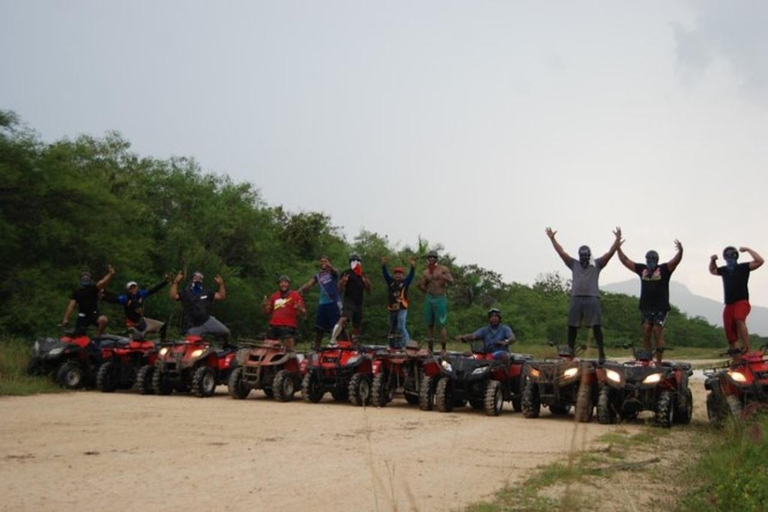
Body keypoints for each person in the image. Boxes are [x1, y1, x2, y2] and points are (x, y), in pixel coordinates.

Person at [545, 227, 622, 364]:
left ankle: (601, 352)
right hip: (576, 297)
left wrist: (617, 240)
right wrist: (552, 239)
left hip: (592, 297)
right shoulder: (574, 263)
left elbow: (609, 254)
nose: (584, 258)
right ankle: (570, 350)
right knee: (572, 326)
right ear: (579, 256)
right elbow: (561, 252)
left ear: (589, 255)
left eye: (586, 256)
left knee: (596, 326)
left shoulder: (597, 264)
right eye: (582, 256)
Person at [617, 240, 683, 364]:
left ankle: (658, 362)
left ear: (657, 260)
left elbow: (675, 261)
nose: (650, 262)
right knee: (647, 330)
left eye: (653, 260)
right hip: (646, 306)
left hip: (661, 307)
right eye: (648, 260)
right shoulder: (642, 269)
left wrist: (680, 251)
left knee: (657, 331)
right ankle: (647, 359)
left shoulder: (663, 269)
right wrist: (618, 248)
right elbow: (626, 261)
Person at [709, 245, 764, 356]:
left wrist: (748, 249)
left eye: (732, 255)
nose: (730, 257)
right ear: (724, 257)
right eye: (727, 255)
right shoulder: (724, 270)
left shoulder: (743, 267)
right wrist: (713, 260)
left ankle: (746, 347)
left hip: (741, 301)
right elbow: (712, 270)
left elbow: (759, 261)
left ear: (736, 256)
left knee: (739, 319)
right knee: (729, 330)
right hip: (729, 304)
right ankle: (736, 357)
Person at [169, 270, 230, 344]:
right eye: (195, 276)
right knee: (192, 345)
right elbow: (173, 296)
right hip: (192, 325)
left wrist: (221, 284)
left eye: (199, 277)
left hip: (207, 320)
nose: (197, 278)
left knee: (225, 331)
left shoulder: (207, 292)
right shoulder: (186, 293)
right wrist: (176, 282)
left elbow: (221, 296)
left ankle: (226, 346)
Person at [298, 256, 341, 350]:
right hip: (322, 304)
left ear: (329, 262)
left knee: (337, 326)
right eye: (321, 261)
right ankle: (317, 347)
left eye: (325, 261)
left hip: (333, 302)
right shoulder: (318, 275)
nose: (323, 263)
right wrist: (300, 290)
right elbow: (309, 284)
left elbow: (336, 272)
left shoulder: (333, 272)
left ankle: (345, 345)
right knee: (319, 327)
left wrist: (330, 266)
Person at [61, 265, 116, 336]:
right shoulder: (77, 292)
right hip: (82, 316)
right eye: (84, 277)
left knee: (103, 320)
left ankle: (98, 337)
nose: (85, 278)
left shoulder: (93, 288)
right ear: (81, 279)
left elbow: (103, 282)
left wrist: (111, 274)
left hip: (93, 314)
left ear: (90, 279)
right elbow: (71, 306)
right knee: (78, 334)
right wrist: (66, 319)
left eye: (87, 277)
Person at [417, 250, 454, 353]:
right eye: (430, 257)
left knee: (441, 324)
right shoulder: (425, 272)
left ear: (437, 258)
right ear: (427, 259)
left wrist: (445, 277)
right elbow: (422, 285)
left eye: (434, 257)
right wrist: (422, 286)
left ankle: (443, 348)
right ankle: (430, 348)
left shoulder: (443, 269)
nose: (432, 259)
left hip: (440, 297)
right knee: (429, 324)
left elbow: (452, 281)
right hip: (429, 297)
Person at [114, 276, 171, 340]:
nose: (133, 289)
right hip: (132, 325)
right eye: (131, 288)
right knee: (137, 340)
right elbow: (113, 299)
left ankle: (163, 342)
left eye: (134, 287)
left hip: (143, 322)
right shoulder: (125, 298)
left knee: (163, 326)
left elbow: (153, 290)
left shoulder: (141, 294)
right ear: (128, 290)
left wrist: (165, 282)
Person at [331, 253, 371, 342]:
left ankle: (354, 343)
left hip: (359, 302)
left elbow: (368, 291)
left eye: (358, 261)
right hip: (349, 300)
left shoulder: (362, 275)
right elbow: (339, 289)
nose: (356, 263)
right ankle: (333, 339)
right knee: (344, 318)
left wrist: (367, 283)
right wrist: (343, 282)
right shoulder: (347, 273)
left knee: (357, 325)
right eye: (354, 261)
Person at [262, 275, 306, 352]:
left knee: (289, 349)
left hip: (288, 326)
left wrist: (299, 308)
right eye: (281, 282)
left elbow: (303, 313)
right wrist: (264, 306)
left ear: (289, 284)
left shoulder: (295, 295)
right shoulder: (275, 296)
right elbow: (267, 312)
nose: (283, 284)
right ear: (279, 284)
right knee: (267, 348)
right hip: (274, 325)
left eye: (285, 282)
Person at [381, 256, 416, 348]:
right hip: (392, 308)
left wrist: (412, 267)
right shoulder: (390, 282)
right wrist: (383, 265)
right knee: (392, 328)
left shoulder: (405, 282)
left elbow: (411, 276)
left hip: (402, 308)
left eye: (400, 274)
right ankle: (392, 345)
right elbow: (385, 274)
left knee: (401, 327)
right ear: (394, 275)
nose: (398, 275)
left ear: (402, 275)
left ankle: (407, 344)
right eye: (396, 273)